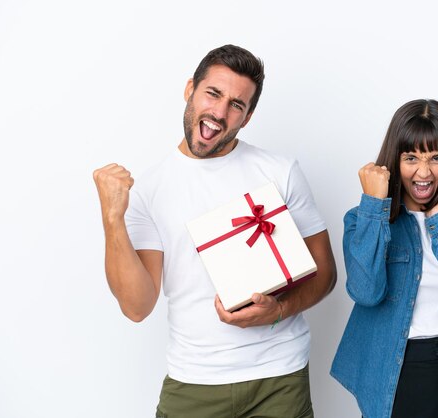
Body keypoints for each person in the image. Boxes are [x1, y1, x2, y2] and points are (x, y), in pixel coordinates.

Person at [93, 44, 336, 418]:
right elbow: (137, 306)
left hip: (280, 378)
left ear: (248, 117)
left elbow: (325, 272)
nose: (220, 113)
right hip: (194, 381)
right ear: (190, 89)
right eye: (213, 93)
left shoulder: (280, 170)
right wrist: (113, 218)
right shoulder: (149, 190)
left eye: (236, 105)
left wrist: (279, 310)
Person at [330, 99, 438, 418]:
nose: (424, 172)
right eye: (411, 157)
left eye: (436, 157)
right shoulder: (363, 219)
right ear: (394, 161)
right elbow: (366, 292)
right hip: (400, 368)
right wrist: (373, 203)